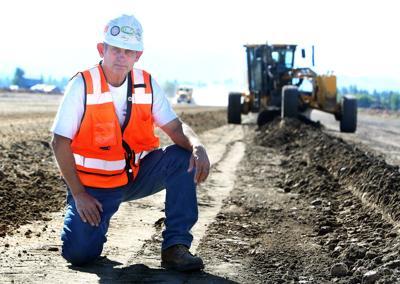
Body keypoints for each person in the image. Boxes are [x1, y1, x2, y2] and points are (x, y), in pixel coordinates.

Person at [50, 14, 210, 272]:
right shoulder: (83, 85)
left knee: (182, 157)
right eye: (115, 49)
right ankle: (91, 226)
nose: (121, 56)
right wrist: (79, 194)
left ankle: (175, 247)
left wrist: (197, 145)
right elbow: (59, 142)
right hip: (93, 186)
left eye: (129, 51)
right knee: (79, 255)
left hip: (133, 176)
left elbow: (175, 127)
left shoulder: (146, 84)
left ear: (138, 55)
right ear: (102, 49)